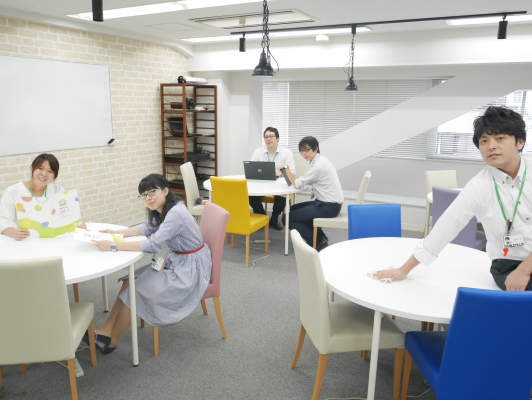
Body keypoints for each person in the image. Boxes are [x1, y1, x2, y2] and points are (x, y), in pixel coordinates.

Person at [375, 106, 532, 292]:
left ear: (519, 142)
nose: (491, 146)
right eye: (484, 141)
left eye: (500, 138)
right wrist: (404, 269)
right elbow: (445, 227)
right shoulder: (478, 187)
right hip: (509, 265)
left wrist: (525, 269)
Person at [89, 174, 212, 354]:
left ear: (165, 191)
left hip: (190, 268)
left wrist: (113, 245)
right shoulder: (166, 208)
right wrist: (115, 233)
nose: (148, 198)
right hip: (177, 260)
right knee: (129, 280)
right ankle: (105, 331)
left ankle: (112, 341)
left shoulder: (175, 213)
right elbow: (147, 227)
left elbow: (153, 245)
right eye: (144, 195)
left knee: (135, 290)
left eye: (152, 192)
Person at [0, 153, 86, 240]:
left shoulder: (58, 190)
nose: (44, 174)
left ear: (54, 176)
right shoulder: (13, 191)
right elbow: (3, 220)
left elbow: (68, 214)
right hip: (24, 240)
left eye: (50, 171)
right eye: (40, 168)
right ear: (31, 169)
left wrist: (79, 222)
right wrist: (13, 232)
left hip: (53, 241)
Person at [281, 136, 343, 252]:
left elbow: (296, 184)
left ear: (316, 148)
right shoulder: (319, 160)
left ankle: (317, 241)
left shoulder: (318, 166)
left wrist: (286, 168)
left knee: (286, 219)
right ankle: (319, 236)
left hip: (328, 207)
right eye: (302, 151)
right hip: (326, 202)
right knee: (294, 208)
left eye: (307, 150)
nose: (304, 154)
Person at [248, 127, 296, 230]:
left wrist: (280, 173)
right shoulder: (258, 152)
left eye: (271, 136)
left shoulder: (287, 153)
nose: (268, 139)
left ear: (278, 139)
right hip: (262, 184)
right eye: (266, 137)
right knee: (250, 196)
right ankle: (262, 217)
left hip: (279, 185)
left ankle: (274, 219)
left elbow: (292, 172)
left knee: (281, 196)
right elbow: (252, 169)